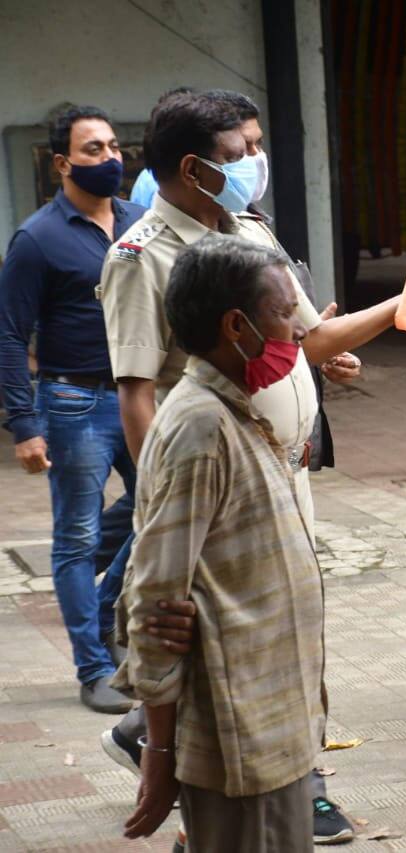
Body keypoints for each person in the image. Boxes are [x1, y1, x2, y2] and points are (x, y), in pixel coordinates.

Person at [97, 91, 406, 846]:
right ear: (192, 166)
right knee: (213, 630)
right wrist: (160, 506)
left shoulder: (250, 233)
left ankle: (277, 768)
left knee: (284, 619)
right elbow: (139, 392)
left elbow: (304, 335)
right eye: (241, 150)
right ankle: (181, 748)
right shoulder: (142, 259)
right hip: (210, 484)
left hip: (278, 469)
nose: (255, 163)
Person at [114, 233, 326, 850]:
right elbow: (155, 599)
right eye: (285, 315)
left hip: (273, 720)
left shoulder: (236, 411)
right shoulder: (201, 426)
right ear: (237, 325)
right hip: (240, 735)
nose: (296, 333)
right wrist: (159, 752)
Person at [0, 106, 142, 713]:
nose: (109, 158)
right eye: (92, 149)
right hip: (72, 400)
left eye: (113, 146)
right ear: (62, 163)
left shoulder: (140, 222)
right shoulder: (38, 238)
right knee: (76, 536)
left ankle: (105, 609)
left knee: (157, 509)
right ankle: (93, 667)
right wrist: (22, 424)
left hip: (142, 394)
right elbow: (8, 332)